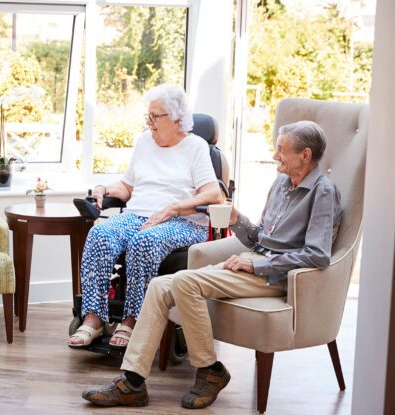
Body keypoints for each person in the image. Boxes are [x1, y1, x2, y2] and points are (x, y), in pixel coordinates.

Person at [82, 120, 342, 409]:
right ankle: (132, 382)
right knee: (159, 286)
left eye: (281, 150)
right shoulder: (282, 183)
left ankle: (210, 371)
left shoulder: (323, 192)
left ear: (305, 155)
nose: (274, 156)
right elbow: (262, 237)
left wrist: (256, 266)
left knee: (183, 281)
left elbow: (317, 255)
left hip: (275, 276)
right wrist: (237, 219)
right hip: (254, 261)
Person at [67, 84, 225, 350]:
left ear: (177, 119)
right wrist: (104, 189)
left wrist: (174, 208)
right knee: (100, 234)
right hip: (139, 215)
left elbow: (214, 194)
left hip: (183, 222)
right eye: (148, 116)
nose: (149, 122)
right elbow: (127, 187)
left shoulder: (196, 147)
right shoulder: (144, 141)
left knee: (145, 241)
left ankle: (132, 321)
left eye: (156, 116)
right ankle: (94, 319)